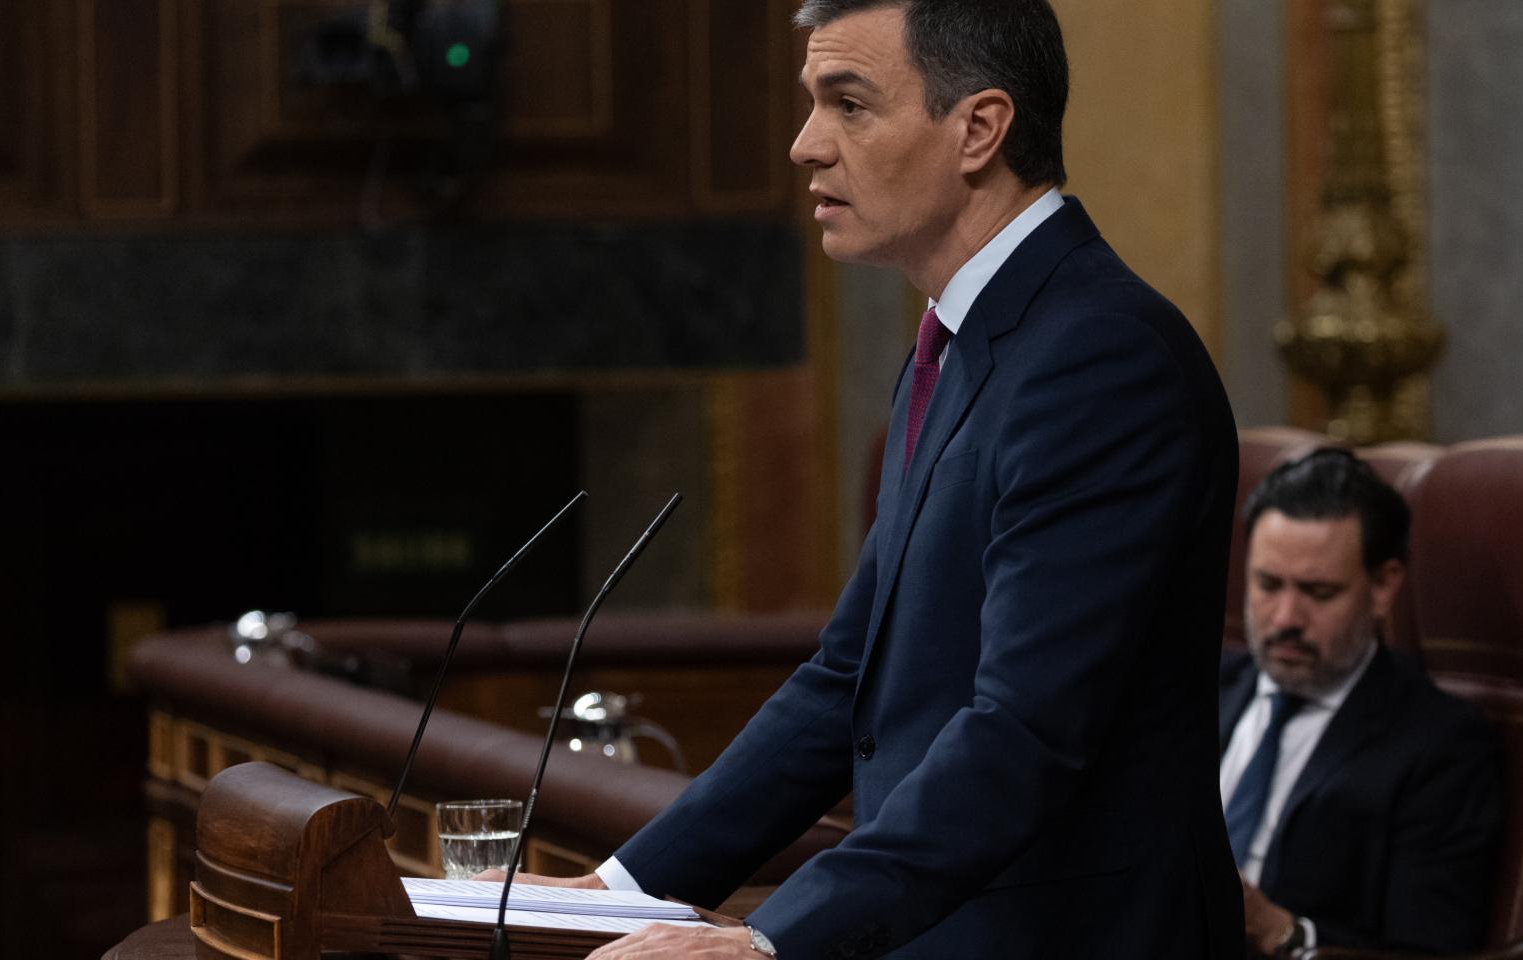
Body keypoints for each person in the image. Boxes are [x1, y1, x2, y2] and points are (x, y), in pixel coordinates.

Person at [494, 2, 1244, 956]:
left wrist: (767, 943)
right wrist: (617, 888)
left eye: (849, 105)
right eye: (813, 104)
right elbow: (846, 679)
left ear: (979, 128)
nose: (806, 145)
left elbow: (1023, 732)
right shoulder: (961, 341)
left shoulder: (1101, 358)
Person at [1222, 449, 1503, 956]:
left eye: (1318, 592)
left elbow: (1426, 950)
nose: (1286, 616)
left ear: (1382, 586)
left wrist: (1280, 932)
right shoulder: (1192, 692)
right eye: (1268, 584)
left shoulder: (1439, 746)